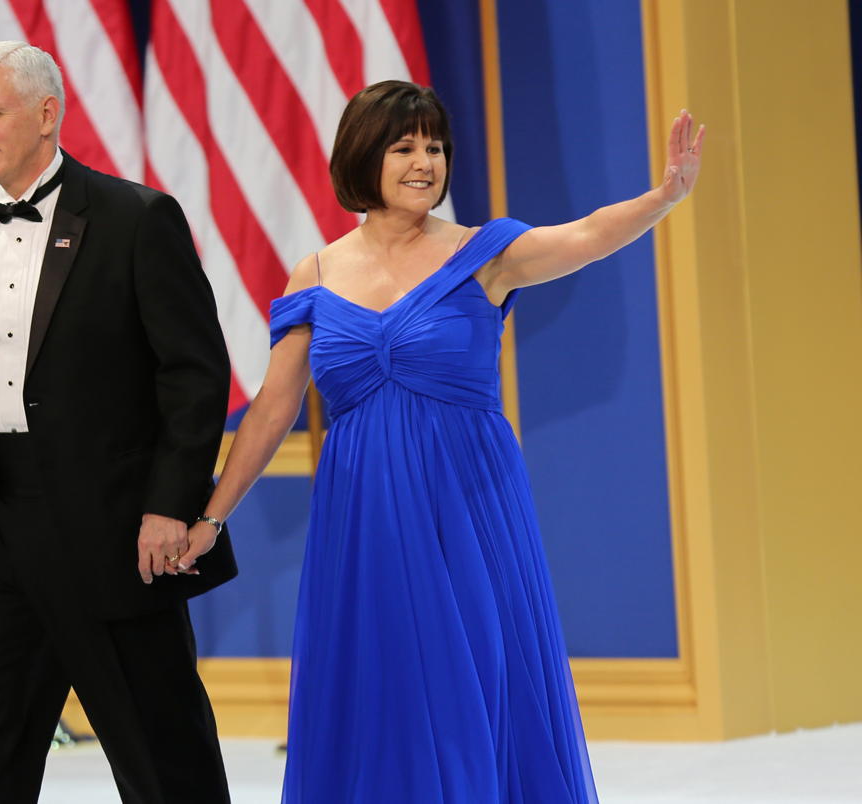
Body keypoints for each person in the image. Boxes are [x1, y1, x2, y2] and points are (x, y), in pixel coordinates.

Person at [179, 80, 704, 802]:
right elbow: (272, 410)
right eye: (404, 147)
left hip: (470, 507)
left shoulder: (485, 254)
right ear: (365, 157)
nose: (425, 162)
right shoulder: (318, 273)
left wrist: (664, 197)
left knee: (475, 681)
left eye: (435, 147)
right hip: (365, 519)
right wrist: (212, 516)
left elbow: (583, 236)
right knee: (383, 683)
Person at [0, 41, 237, 804]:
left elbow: (194, 374)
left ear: (47, 113)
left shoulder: (136, 217)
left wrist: (169, 504)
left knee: (164, 757)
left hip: (116, 529)